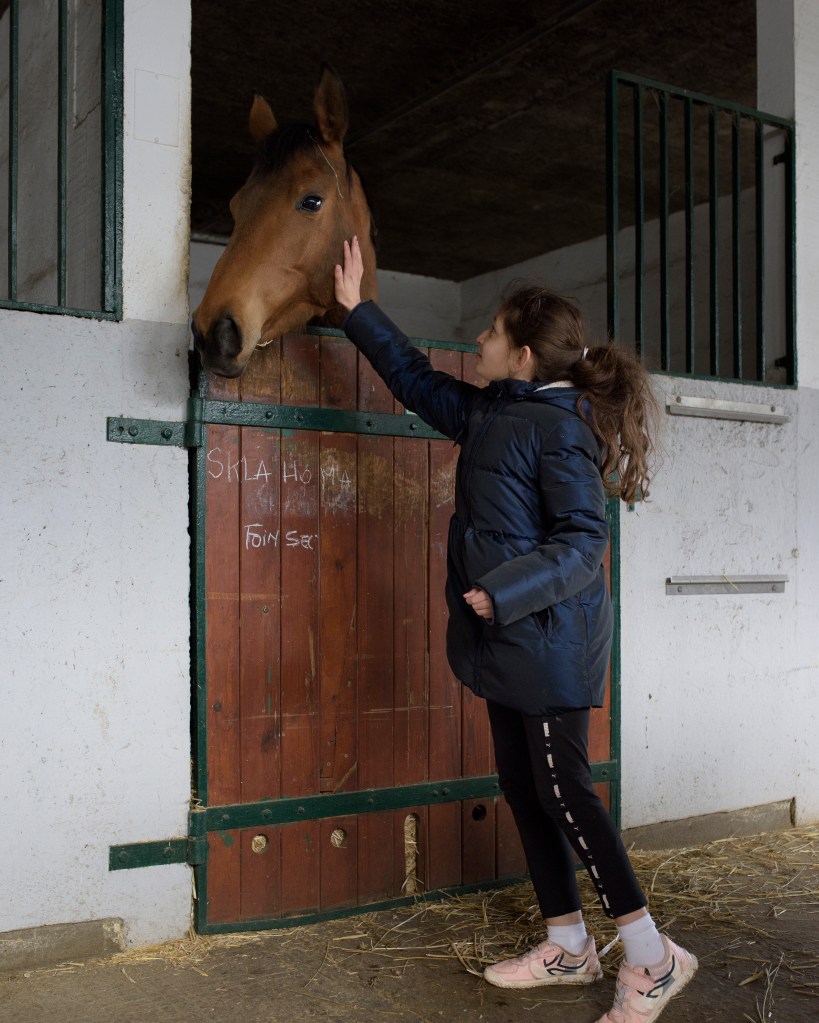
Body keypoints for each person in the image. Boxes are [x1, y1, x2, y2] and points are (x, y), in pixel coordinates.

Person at [334, 236, 696, 1023]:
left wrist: (501, 592)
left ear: (523, 354)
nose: (478, 340)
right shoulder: (495, 409)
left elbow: (583, 540)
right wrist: (357, 307)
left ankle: (653, 958)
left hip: (546, 639)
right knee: (525, 789)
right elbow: (414, 379)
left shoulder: (559, 427)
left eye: (491, 332)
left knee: (566, 793)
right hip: (509, 641)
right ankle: (567, 943)